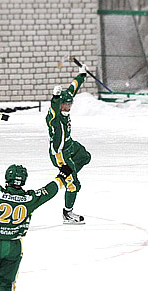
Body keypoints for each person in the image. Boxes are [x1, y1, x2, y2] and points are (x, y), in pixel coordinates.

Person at [0, 148, 73, 291]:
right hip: (14, 246)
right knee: (7, 284)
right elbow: (49, 191)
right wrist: (62, 176)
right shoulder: (30, 199)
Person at [45, 64, 92, 224]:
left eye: (70, 104)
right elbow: (53, 108)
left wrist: (82, 74)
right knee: (74, 186)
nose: (68, 107)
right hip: (60, 154)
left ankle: (66, 176)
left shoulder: (66, 105)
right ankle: (67, 214)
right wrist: (55, 97)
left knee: (85, 156)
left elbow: (73, 88)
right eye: (65, 105)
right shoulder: (54, 117)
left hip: (70, 144)